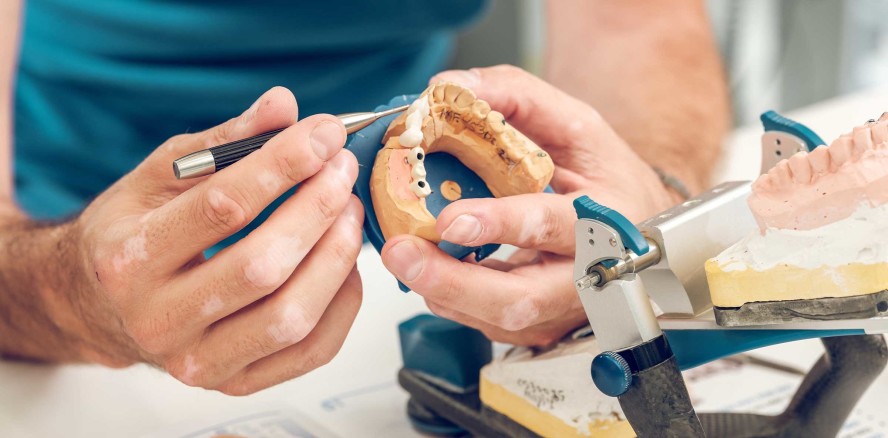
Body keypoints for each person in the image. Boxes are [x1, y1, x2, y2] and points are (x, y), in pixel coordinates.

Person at [0, 0, 728, 395]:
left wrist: (645, 201)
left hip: (389, 283)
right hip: (52, 256)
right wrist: (62, 295)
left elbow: (636, 23)